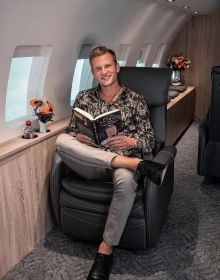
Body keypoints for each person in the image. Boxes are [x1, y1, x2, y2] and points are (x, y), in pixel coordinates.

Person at [56, 45, 167, 280]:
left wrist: (131, 141)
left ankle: (105, 251)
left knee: (126, 181)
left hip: (122, 166)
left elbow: (149, 141)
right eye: (98, 68)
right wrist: (79, 136)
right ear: (93, 72)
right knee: (61, 140)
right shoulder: (83, 98)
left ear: (116, 67)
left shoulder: (136, 100)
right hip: (91, 162)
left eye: (108, 66)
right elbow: (71, 131)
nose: (104, 72)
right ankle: (133, 164)